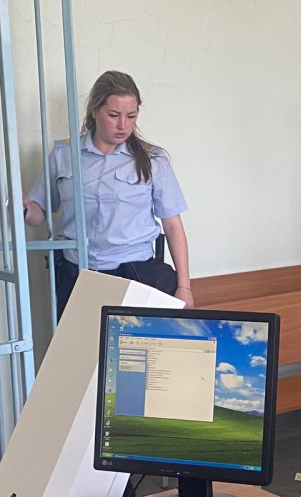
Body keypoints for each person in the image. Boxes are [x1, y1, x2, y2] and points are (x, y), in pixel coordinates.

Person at [24, 70, 194, 316]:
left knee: (133, 340)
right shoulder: (64, 156)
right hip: (77, 270)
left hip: (134, 271)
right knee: (80, 340)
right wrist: (24, 209)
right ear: (94, 110)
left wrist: (184, 286)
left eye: (131, 116)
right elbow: (39, 212)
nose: (123, 125)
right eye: (113, 115)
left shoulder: (152, 160)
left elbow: (172, 224)